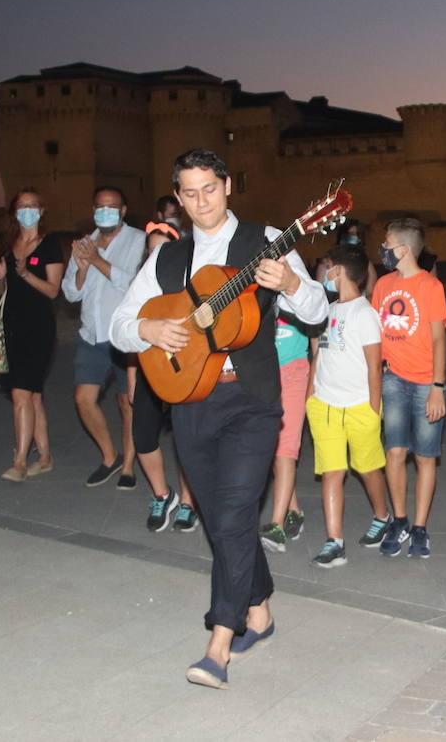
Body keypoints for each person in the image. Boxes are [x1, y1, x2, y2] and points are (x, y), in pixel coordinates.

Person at [109, 148, 327, 690]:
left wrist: (293, 286)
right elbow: (118, 324)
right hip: (188, 398)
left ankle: (218, 642)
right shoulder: (166, 260)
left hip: (252, 401)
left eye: (210, 187)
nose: (201, 200)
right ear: (178, 198)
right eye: (189, 191)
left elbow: (319, 311)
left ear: (227, 186)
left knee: (231, 516)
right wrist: (149, 332)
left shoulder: (266, 241)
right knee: (220, 517)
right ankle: (260, 611)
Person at [304, 244, 391, 567]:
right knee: (332, 472)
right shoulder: (328, 310)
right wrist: (310, 394)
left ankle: (382, 516)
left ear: (339, 270)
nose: (325, 273)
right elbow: (320, 353)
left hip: (358, 407)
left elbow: (374, 365)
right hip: (325, 404)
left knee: (367, 469)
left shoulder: (365, 314)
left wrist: (372, 408)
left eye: (328, 267)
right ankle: (334, 541)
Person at [371, 218, 446, 559]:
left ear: (402, 249)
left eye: (387, 243)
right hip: (393, 378)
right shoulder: (383, 285)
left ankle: (420, 527)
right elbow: (373, 336)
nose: (383, 249)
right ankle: (399, 520)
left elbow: (437, 338)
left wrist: (438, 386)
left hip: (425, 382)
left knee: (426, 456)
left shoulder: (431, 287)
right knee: (395, 452)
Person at [62, 186, 144, 489]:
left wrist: (96, 260)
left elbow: (135, 284)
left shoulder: (138, 241)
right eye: (99, 207)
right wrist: (82, 268)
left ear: (123, 210)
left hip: (123, 336)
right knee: (83, 399)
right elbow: (71, 293)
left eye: (112, 207)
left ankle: (127, 467)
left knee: (127, 403)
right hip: (91, 334)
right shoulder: (84, 244)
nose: (105, 212)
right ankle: (109, 457)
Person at [0, 189, 64, 482]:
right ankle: (44, 457)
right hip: (11, 327)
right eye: (21, 207)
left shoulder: (50, 245)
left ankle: (19, 462)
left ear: (41, 210)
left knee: (21, 392)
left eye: (32, 206)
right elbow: (3, 294)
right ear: (14, 212)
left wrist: (26, 274)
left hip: (39, 328)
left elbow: (54, 290)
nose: (27, 211)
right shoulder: (8, 245)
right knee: (33, 396)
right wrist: (2, 277)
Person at [129, 204, 198, 533]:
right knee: (142, 435)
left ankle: (188, 500)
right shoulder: (138, 283)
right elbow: (128, 329)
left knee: (185, 437)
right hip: (148, 365)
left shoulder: (189, 278)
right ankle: (162, 494)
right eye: (150, 248)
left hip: (185, 365)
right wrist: (132, 377)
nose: (155, 254)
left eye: (162, 248)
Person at [257, 313, 312, 553]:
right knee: (270, 448)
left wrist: (313, 387)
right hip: (263, 373)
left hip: (293, 371)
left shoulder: (300, 287)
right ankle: (294, 511)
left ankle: (276, 526)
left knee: (286, 450)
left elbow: (317, 340)